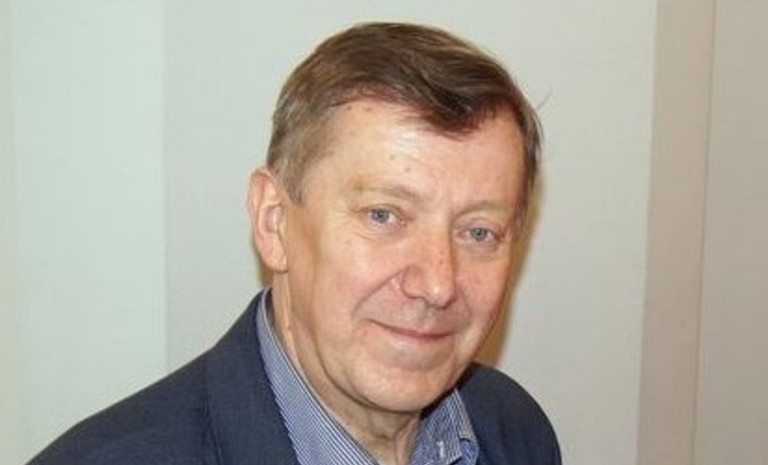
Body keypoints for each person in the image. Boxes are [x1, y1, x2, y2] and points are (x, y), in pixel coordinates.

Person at [28, 22, 560, 465]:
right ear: (274, 222)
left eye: (479, 232)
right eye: (383, 216)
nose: (438, 283)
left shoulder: (513, 430)